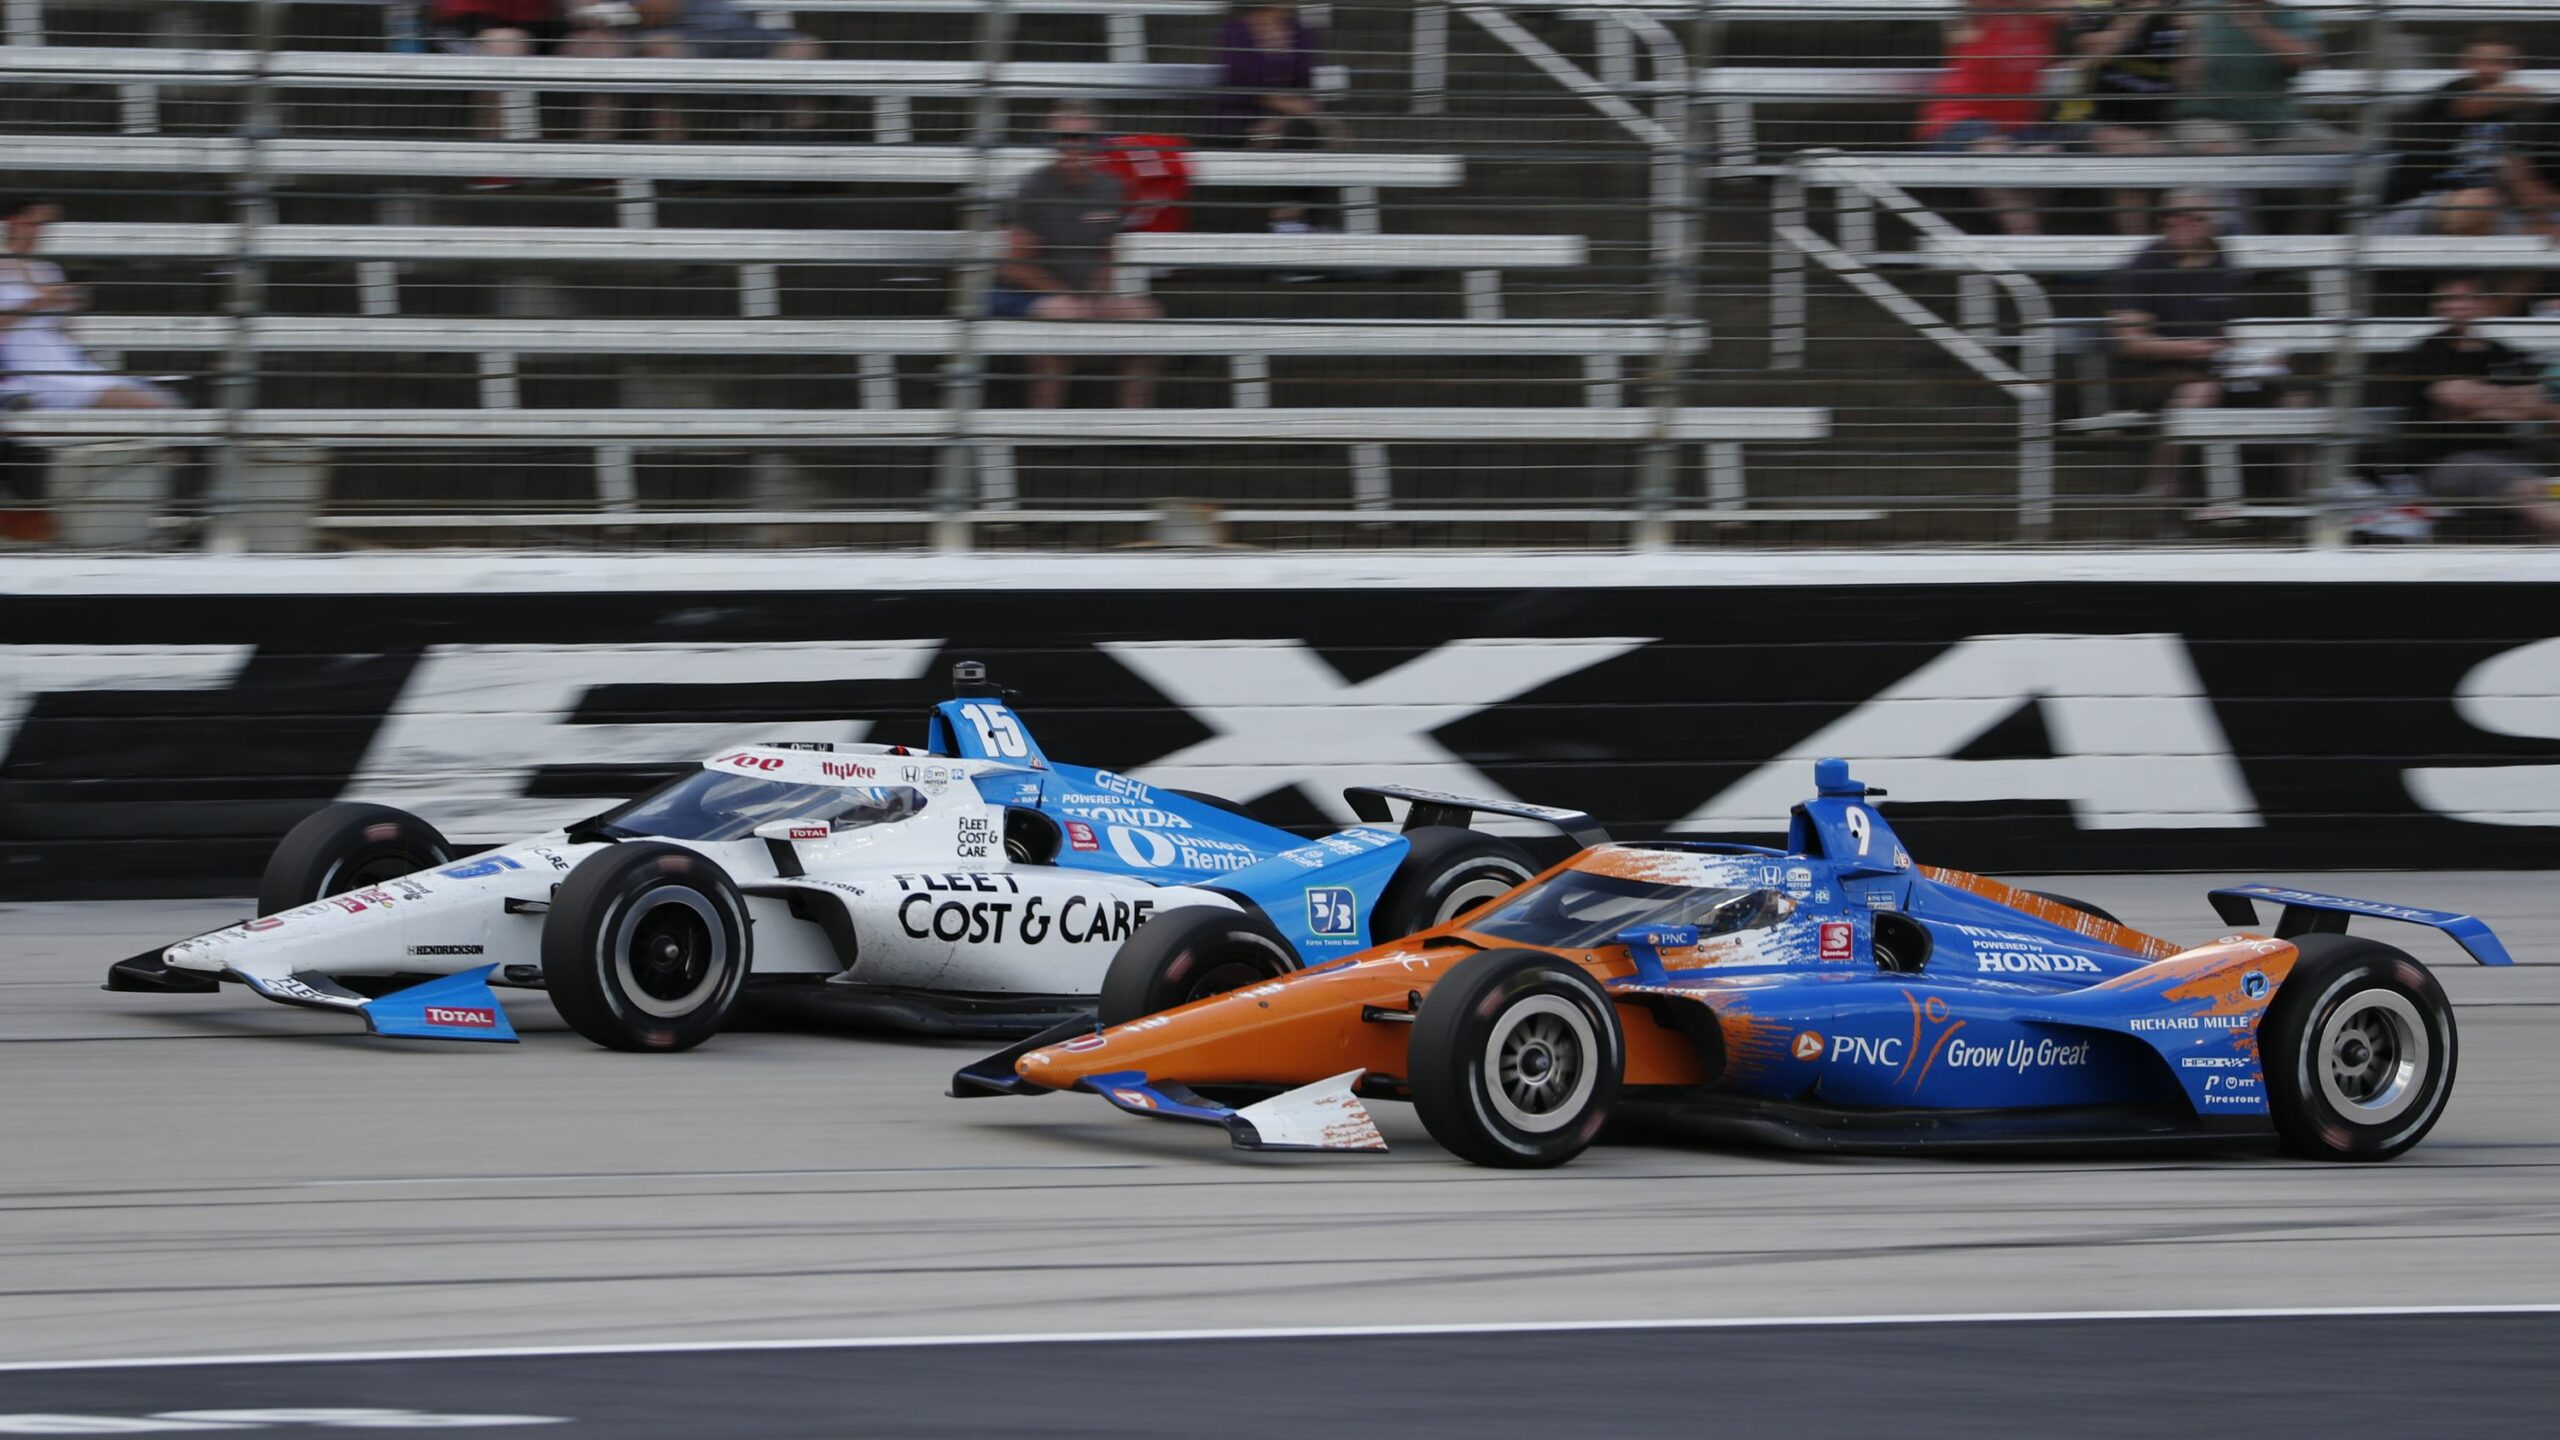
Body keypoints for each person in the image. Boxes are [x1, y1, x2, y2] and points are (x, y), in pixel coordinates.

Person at [994, 104, 1161, 410]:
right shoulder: (1030, 189)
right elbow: (1015, 268)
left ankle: (1135, 423)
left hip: (1080, 293)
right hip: (1022, 294)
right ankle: (1045, 426)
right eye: (1062, 137)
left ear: (1096, 143)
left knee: (1143, 314)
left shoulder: (1110, 188)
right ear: (1049, 142)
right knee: (1061, 316)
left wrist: (1095, 294)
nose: (1071, 145)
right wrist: (1068, 296)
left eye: (1081, 137)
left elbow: (1106, 253)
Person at [2109, 191, 2261, 499]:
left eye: (2192, 217)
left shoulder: (2226, 263)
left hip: (2221, 365)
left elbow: (2239, 327)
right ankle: (2163, 485)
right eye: (2171, 215)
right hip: (2152, 372)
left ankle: (2308, 496)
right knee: (2200, 389)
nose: (2179, 223)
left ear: (2213, 225)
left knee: (2296, 396)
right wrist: (2190, 348)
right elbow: (2130, 343)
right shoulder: (2142, 266)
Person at [2382, 275, 2560, 539]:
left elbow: (2540, 404)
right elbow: (2458, 397)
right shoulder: (2426, 352)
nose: (2454, 306)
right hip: (2449, 464)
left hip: (2511, 458)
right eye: (2445, 299)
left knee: (2545, 489)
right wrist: (2510, 402)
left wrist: (2483, 402)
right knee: (2530, 490)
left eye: (2465, 298)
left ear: (2485, 304)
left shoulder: (2502, 352)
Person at [0, 198, 174, 414]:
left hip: (63, 360)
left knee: (162, 400)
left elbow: (60, 328)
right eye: (35, 224)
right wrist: (39, 302)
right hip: (29, 369)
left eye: (46, 225)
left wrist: (68, 305)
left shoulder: (47, 269)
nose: (41, 232)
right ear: (13, 222)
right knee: (150, 405)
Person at [566, 0, 821, 142]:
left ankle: (803, 150)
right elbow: (654, 10)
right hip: (675, 35)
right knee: (664, 53)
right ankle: (671, 163)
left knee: (803, 47)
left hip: (739, 32)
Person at [1914, 0, 2066, 237]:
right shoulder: (1986, 11)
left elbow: (2068, 10)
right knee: (1996, 156)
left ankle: (2030, 248)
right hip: (1958, 119)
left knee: (2047, 160)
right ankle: (2030, 249)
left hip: (2016, 126)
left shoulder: (2042, 19)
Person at [2375, 32, 2542, 239]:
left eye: (2500, 62)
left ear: (2515, 65)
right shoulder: (2442, 98)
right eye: (2480, 62)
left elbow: (2525, 176)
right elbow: (2470, 105)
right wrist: (2531, 98)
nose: (2489, 70)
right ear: (2464, 63)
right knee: (2478, 203)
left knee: (2543, 230)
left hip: (2494, 211)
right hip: (2414, 211)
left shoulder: (2522, 115)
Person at [2060, 0, 2190, 236]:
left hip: (2155, 127)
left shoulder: (2174, 14)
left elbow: (2188, 82)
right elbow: (2098, 53)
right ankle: (2140, 247)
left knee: (2139, 161)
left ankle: (2152, 247)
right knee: (2130, 157)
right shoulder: (2096, 8)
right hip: (2089, 120)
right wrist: (2139, 13)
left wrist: (2191, 40)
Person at [2172, 0, 2342, 154]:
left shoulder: (2287, 16)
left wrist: (2255, 25)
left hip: (2277, 125)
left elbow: (2308, 57)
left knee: (2346, 150)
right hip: (2211, 122)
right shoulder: (2204, 11)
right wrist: (2191, 39)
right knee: (2226, 157)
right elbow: (2185, 79)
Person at [428, 0, 567, 149]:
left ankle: (582, 156)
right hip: (465, 21)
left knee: (585, 45)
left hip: (539, 21)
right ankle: (507, 151)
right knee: (508, 45)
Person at [1213, 3, 1343, 150]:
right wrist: (1289, 108)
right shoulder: (1236, 31)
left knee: (1302, 129)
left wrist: (1283, 118)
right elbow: (1243, 83)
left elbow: (1308, 82)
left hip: (1293, 115)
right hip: (1244, 112)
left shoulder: (1301, 31)